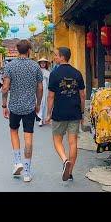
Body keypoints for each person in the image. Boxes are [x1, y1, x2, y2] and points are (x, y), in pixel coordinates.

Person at [1, 39, 43, 183]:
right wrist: (38, 104)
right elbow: (40, 88)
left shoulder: (10, 66)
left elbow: (5, 87)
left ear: (18, 50)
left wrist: (4, 105)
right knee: (28, 138)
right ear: (29, 50)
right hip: (30, 107)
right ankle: (27, 172)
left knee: (13, 131)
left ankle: (17, 161)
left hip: (14, 107)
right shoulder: (35, 66)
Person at [44, 46, 86, 181]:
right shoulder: (77, 73)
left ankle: (64, 160)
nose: (54, 57)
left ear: (62, 57)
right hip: (74, 112)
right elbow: (82, 95)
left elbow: (50, 97)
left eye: (56, 55)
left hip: (59, 112)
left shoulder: (54, 74)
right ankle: (70, 171)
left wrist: (49, 113)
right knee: (73, 142)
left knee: (57, 140)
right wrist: (82, 112)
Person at [36, 58, 50, 126]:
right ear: (39, 64)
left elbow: (49, 82)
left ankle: (42, 118)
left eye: (44, 63)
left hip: (45, 89)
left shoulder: (48, 72)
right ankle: (40, 118)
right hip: (38, 89)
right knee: (40, 103)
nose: (43, 64)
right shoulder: (37, 71)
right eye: (41, 63)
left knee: (44, 103)